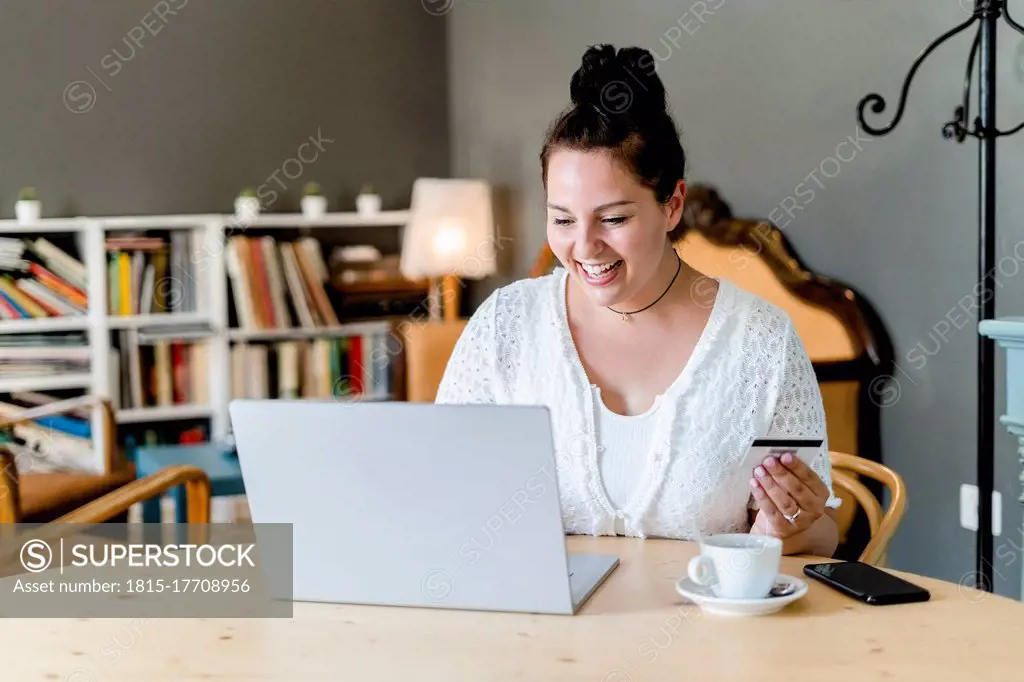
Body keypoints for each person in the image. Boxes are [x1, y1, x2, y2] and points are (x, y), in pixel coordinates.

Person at [435, 44, 840, 557]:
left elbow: (823, 531)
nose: (583, 248)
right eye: (562, 219)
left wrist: (788, 528)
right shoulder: (505, 324)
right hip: (539, 631)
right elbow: (442, 492)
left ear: (672, 205)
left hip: (703, 630)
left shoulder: (762, 341)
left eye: (613, 219)